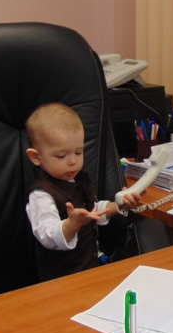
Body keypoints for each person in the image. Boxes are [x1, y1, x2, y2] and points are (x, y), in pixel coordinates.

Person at [25, 102, 141, 281]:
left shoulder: (77, 179)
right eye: (61, 156)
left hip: (90, 268)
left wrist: (120, 205)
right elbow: (47, 234)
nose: (73, 161)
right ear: (36, 157)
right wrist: (72, 225)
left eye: (79, 152)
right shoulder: (41, 194)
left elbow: (94, 210)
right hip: (62, 279)